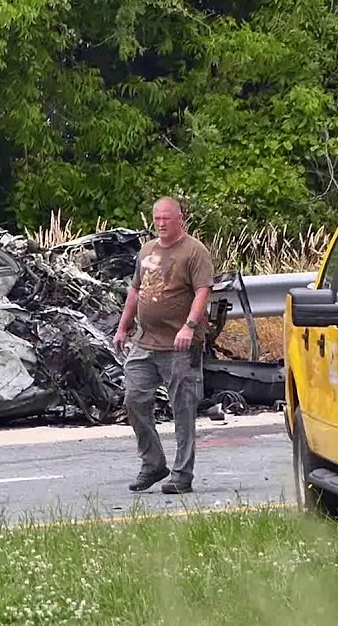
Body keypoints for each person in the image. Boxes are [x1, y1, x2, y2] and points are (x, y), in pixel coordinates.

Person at [113, 196, 214, 495]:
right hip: (145, 341)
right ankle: (153, 463)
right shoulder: (147, 250)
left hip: (180, 344)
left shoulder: (194, 252)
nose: (161, 223)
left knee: (182, 407)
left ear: (180, 217)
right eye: (157, 218)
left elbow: (202, 292)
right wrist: (123, 327)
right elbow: (135, 290)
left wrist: (190, 326)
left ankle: (182, 475)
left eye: (166, 218)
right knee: (134, 399)